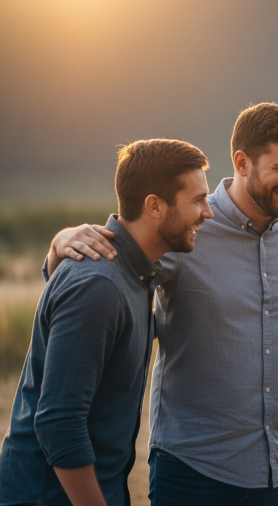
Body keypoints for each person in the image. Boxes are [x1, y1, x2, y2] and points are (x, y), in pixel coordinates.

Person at [44, 103, 278, 505]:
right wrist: (57, 246)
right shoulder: (186, 224)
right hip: (192, 467)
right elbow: (106, 272)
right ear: (242, 162)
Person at [0, 139, 212, 506]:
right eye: (197, 200)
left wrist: (56, 247)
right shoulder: (100, 286)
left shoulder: (133, 274)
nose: (207, 213)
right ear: (154, 206)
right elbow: (59, 423)